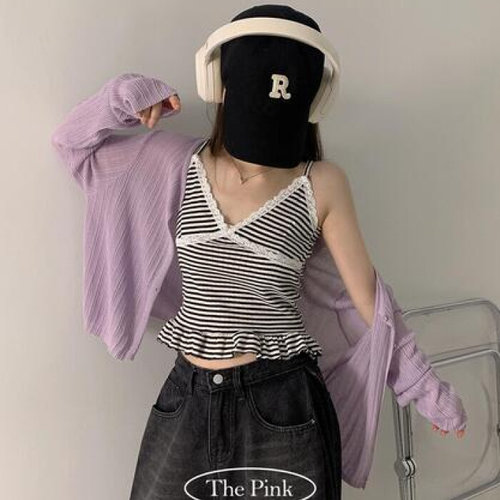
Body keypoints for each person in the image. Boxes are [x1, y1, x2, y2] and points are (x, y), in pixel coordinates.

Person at [51, 4, 467, 499]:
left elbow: (371, 300)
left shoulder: (321, 183)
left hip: (283, 404)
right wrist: (124, 97)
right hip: (188, 398)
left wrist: (424, 387)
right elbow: (72, 146)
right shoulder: (174, 164)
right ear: (219, 86)